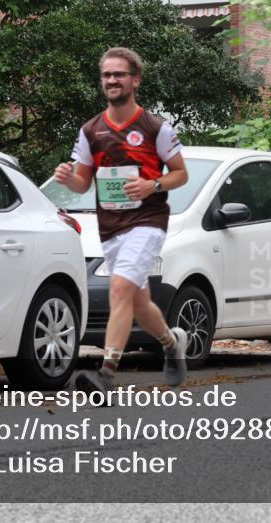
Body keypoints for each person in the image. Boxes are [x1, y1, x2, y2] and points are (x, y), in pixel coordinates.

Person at [55, 47, 189, 396]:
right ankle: (171, 343)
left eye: (119, 74)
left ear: (135, 80)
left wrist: (152, 184)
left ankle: (107, 373)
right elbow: (83, 182)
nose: (112, 80)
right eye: (106, 75)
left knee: (119, 289)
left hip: (148, 220)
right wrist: (67, 178)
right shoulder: (90, 130)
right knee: (139, 301)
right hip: (111, 226)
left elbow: (180, 174)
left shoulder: (155, 127)